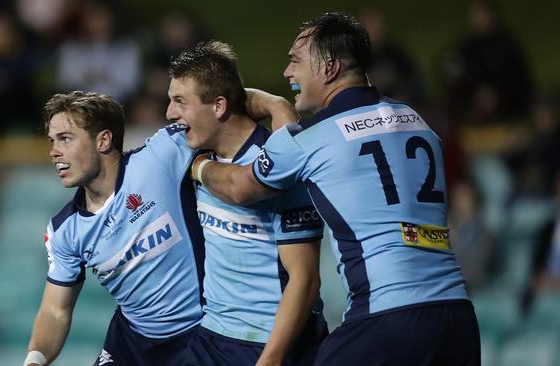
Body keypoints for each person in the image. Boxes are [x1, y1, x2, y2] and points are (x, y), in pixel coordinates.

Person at [191, 13, 480, 365]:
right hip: (457, 315)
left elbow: (240, 186)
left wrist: (200, 166)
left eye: (295, 61)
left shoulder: (312, 138)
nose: (287, 73)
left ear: (329, 68)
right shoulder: (416, 121)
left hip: (386, 316)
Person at [166, 41, 328, 366]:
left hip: (274, 344)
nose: (170, 113)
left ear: (218, 107)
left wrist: (270, 360)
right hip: (211, 337)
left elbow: (305, 279)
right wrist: (274, 103)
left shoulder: (280, 167)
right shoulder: (189, 147)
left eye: (180, 102)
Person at [24, 91, 205, 366]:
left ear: (104, 140)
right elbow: (55, 310)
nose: (53, 151)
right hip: (134, 347)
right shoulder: (65, 230)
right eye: (52, 140)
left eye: (65, 139)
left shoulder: (158, 158)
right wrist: (34, 361)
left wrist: (273, 105)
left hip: (202, 332)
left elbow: (220, 112)